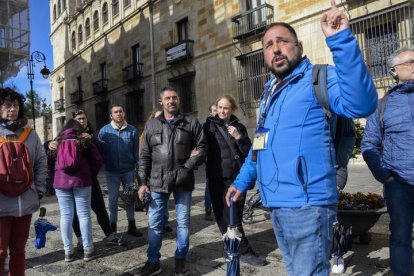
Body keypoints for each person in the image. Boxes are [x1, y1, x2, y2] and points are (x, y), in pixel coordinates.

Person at [225, 1, 378, 275]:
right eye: (268, 45)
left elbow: (362, 104)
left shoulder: (319, 77)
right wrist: (241, 182)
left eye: (282, 41)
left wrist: (340, 40)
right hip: (277, 204)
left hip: (309, 205)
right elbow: (259, 146)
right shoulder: (269, 93)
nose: (275, 48)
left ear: (299, 48)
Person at [136, 87, 207, 276]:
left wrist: (188, 165)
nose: (171, 101)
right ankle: (153, 261)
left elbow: (202, 147)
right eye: (167, 98)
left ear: (179, 100)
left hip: (183, 179)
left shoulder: (191, 122)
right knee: (154, 223)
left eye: (174, 98)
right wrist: (142, 182)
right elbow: (144, 157)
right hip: (157, 181)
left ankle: (180, 260)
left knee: (183, 222)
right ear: (161, 101)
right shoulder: (151, 125)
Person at [361, 46, 414, 276]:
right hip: (399, 183)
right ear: (394, 70)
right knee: (401, 236)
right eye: (410, 61)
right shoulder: (382, 105)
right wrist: (387, 176)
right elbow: (369, 145)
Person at [203, 95, 266, 266]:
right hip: (218, 178)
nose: (222, 111)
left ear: (232, 109)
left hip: (237, 177)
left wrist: (239, 137)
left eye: (226, 108)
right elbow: (202, 148)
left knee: (235, 214)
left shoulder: (239, 127)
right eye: (220, 107)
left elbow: (249, 152)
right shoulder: (208, 127)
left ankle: (233, 247)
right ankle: (239, 249)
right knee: (223, 215)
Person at [0, 87, 48, 275]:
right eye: (7, 105)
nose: (12, 109)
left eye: (16, 105)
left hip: (26, 203)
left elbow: (41, 163)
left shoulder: (31, 134)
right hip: (1, 206)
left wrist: (39, 191)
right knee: (1, 251)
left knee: (19, 252)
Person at [71, 110, 125, 249]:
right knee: (76, 212)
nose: (81, 121)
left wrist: (91, 139)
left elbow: (102, 150)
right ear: (73, 121)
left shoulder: (92, 136)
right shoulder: (67, 135)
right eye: (78, 119)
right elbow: (52, 144)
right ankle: (80, 239)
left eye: (83, 118)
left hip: (91, 178)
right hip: (75, 180)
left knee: (99, 207)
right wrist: (49, 145)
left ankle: (110, 235)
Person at [52, 119, 102, 262]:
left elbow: (49, 161)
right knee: (84, 215)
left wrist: (54, 176)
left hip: (61, 182)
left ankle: (68, 252)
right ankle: (88, 250)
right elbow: (97, 160)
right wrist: (90, 175)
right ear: (78, 129)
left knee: (66, 216)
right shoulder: (84, 140)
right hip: (82, 181)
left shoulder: (57, 142)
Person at [98, 104, 142, 237]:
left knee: (130, 197)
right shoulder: (104, 131)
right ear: (111, 115)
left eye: (120, 111)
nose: (118, 114)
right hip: (112, 172)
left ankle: (132, 225)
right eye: (116, 112)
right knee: (113, 198)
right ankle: (113, 227)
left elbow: (136, 152)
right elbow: (100, 151)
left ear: (124, 113)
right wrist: (104, 162)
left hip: (129, 171)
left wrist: (138, 169)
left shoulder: (132, 130)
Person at [139, 109, 173, 234]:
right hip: (152, 172)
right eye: (158, 117)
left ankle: (165, 221)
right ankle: (156, 224)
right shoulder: (146, 133)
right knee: (155, 201)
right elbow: (142, 155)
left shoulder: (169, 131)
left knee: (164, 198)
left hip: (166, 172)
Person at [203, 103, 217, 221]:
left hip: (225, 161)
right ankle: (208, 209)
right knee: (209, 184)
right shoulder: (206, 126)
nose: (217, 112)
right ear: (211, 113)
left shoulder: (227, 124)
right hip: (211, 159)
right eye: (214, 110)